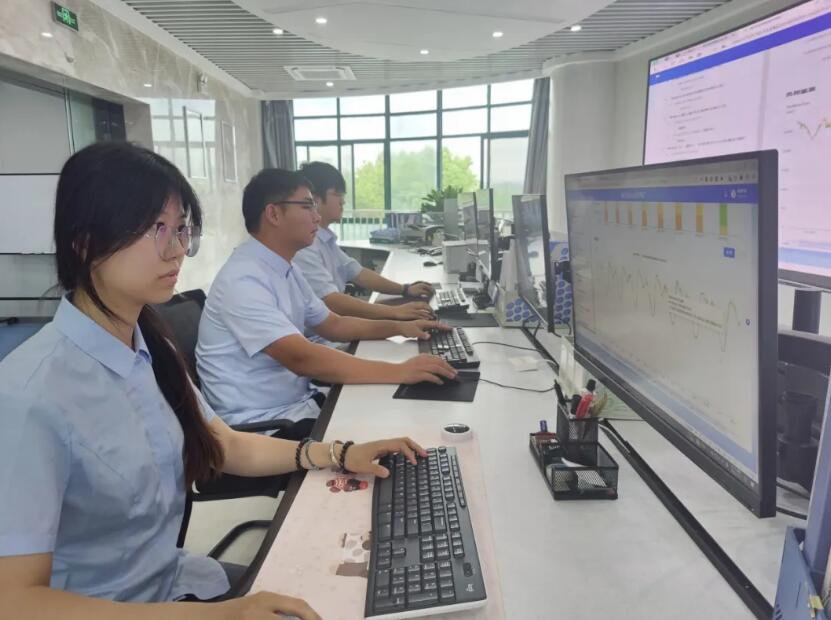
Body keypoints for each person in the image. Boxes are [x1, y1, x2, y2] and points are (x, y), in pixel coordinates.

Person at [0, 142, 427, 619]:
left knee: (357, 592)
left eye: (182, 229)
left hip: (176, 582)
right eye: (154, 229)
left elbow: (223, 443)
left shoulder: (149, 348)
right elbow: (14, 602)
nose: (177, 250)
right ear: (84, 241)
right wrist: (222, 615)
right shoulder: (29, 396)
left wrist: (339, 454)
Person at [196, 168, 457, 429]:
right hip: (265, 424)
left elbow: (333, 325)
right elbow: (302, 358)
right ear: (273, 214)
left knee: (399, 408)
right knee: (398, 422)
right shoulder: (243, 280)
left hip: (299, 403)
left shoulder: (285, 268)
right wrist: (400, 370)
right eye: (307, 206)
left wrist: (400, 328)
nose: (317, 216)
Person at [294, 161, 434, 320]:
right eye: (337, 194)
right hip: (325, 331)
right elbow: (332, 301)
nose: (342, 201)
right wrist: (395, 312)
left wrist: (405, 289)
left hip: (336, 325)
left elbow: (359, 273)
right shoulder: (304, 246)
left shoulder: (325, 240)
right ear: (314, 199)